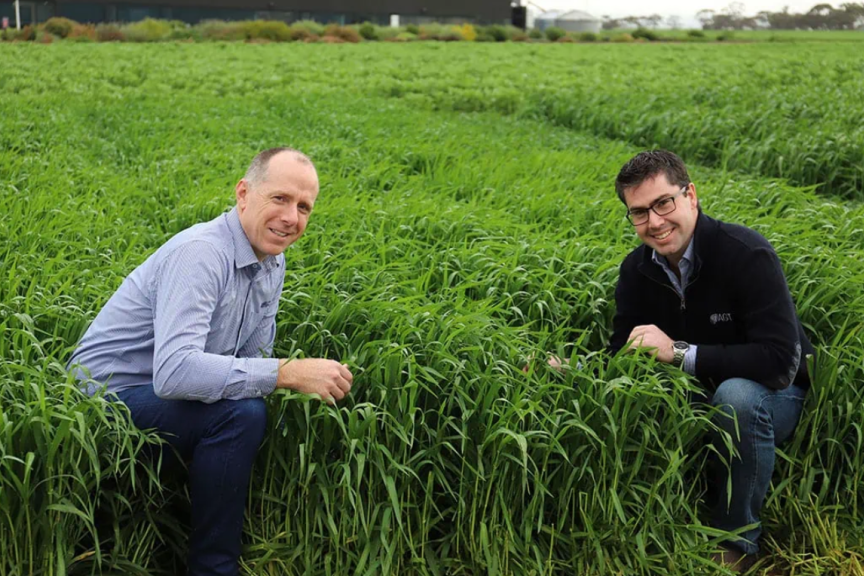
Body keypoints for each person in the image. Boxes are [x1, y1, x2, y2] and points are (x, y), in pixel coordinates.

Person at [68, 148, 355, 576]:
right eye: (279, 198)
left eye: (303, 207)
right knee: (240, 413)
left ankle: (176, 529)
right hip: (98, 406)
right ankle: (213, 567)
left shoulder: (272, 261)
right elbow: (175, 373)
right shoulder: (202, 253)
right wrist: (287, 372)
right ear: (243, 193)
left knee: (247, 407)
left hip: (159, 400)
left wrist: (274, 374)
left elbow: (250, 358)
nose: (291, 217)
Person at [605, 150, 812, 570]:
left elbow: (778, 363)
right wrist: (571, 371)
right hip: (700, 388)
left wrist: (679, 353)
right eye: (639, 212)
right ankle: (664, 515)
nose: (656, 222)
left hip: (775, 393)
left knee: (735, 398)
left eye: (664, 203)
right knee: (654, 392)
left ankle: (737, 538)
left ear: (691, 195)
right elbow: (621, 354)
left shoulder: (746, 253)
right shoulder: (636, 270)